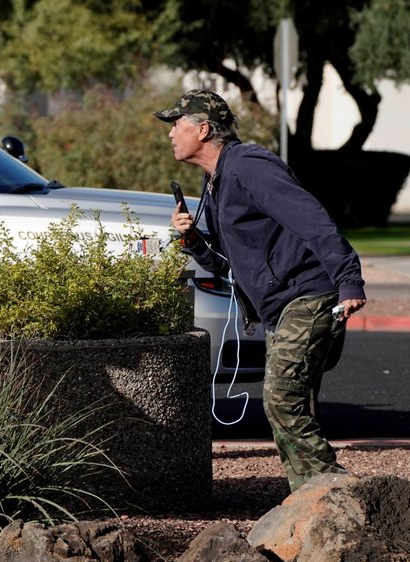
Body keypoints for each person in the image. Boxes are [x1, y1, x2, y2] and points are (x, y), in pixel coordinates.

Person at [155, 89, 367, 492]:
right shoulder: (215, 180)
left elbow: (313, 220)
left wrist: (348, 279)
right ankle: (310, 502)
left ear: (202, 129)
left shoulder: (248, 166)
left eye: (176, 125)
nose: (170, 134)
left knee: (281, 399)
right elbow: (226, 263)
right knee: (292, 407)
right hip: (280, 305)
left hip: (308, 293)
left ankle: (338, 496)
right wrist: (193, 241)